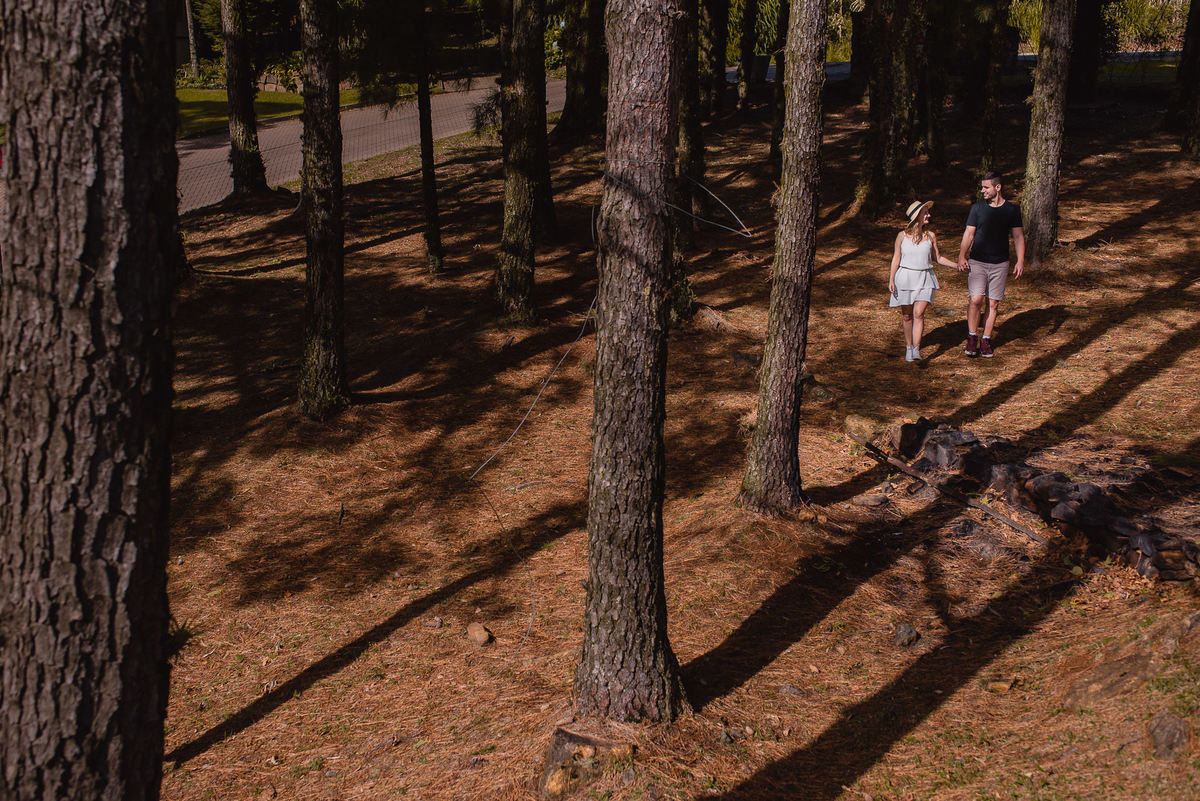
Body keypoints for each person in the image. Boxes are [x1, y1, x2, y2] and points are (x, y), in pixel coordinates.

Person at [957, 171, 1025, 358]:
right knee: (976, 300)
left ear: (998, 187)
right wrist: (962, 255)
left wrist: (1020, 260)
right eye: (982, 187)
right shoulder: (977, 209)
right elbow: (969, 233)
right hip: (977, 261)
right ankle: (972, 337)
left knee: (993, 303)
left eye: (986, 187)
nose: (983, 191)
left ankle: (985, 340)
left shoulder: (1011, 210)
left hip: (1000, 263)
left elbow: (1018, 236)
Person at [889, 200, 957, 362]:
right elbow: (896, 259)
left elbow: (938, 258)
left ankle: (916, 349)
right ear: (916, 217)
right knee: (907, 315)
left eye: (927, 212)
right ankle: (908, 347)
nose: (929, 215)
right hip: (905, 278)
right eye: (925, 212)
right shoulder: (901, 236)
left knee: (918, 313)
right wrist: (891, 279)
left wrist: (958, 265)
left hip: (925, 278)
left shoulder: (930, 236)